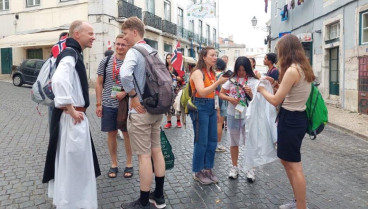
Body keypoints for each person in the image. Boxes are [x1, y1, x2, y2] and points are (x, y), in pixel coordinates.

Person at [42, 20, 101, 209]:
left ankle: (71, 201)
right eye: (90, 33)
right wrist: (71, 109)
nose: (94, 37)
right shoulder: (70, 54)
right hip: (72, 119)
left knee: (72, 164)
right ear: (77, 34)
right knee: (75, 165)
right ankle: (73, 203)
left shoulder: (73, 53)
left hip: (71, 118)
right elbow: (59, 81)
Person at [258, 34, 315, 209]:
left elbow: (275, 100)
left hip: (291, 119)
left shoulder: (292, 70)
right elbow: (289, 92)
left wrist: (261, 90)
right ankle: (298, 201)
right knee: (286, 160)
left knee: (294, 165)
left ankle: (301, 206)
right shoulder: (302, 67)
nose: (278, 53)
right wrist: (274, 82)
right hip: (295, 118)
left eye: (279, 50)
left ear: (286, 50)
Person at [119, 17, 166, 209]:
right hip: (157, 109)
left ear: (134, 32)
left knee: (144, 156)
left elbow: (124, 74)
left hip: (140, 111)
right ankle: (159, 196)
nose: (124, 38)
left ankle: (144, 201)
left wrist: (132, 95)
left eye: (125, 33)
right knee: (157, 151)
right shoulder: (153, 51)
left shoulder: (134, 51)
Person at [95, 34, 133, 178]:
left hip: (126, 105)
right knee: (111, 133)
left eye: (123, 44)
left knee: (127, 134)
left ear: (128, 46)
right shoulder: (105, 61)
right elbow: (99, 83)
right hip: (108, 103)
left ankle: (129, 163)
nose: (120, 47)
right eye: (118, 44)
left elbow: (136, 82)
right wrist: (99, 103)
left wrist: (125, 92)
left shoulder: (131, 62)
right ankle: (114, 164)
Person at [190, 46, 228, 185]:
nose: (215, 57)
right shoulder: (198, 72)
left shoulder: (211, 72)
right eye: (212, 55)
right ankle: (197, 170)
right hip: (200, 106)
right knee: (201, 141)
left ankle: (207, 168)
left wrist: (217, 111)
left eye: (216, 55)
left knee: (212, 141)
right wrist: (218, 82)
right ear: (204, 57)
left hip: (211, 107)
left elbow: (214, 94)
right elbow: (202, 91)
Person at [219, 56, 258, 180]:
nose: (241, 72)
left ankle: (251, 168)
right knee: (233, 141)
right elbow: (220, 93)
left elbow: (256, 100)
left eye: (244, 70)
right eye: (239, 70)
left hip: (248, 115)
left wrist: (250, 93)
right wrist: (230, 98)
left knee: (250, 141)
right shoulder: (231, 80)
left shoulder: (253, 81)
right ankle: (234, 167)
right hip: (233, 114)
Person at [48, 32, 69, 126]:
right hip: (56, 95)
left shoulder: (52, 59)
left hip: (55, 95)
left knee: (55, 121)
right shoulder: (55, 60)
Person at [164, 53, 183, 129]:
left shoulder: (177, 67)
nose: (169, 60)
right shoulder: (164, 68)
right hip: (167, 88)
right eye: (167, 58)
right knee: (167, 105)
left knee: (177, 104)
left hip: (176, 88)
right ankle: (169, 122)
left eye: (170, 58)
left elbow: (181, 78)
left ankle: (178, 121)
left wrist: (175, 77)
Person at [215, 58, 227, 152]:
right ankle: (217, 144)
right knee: (219, 123)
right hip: (221, 101)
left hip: (212, 100)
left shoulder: (211, 74)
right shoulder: (223, 76)